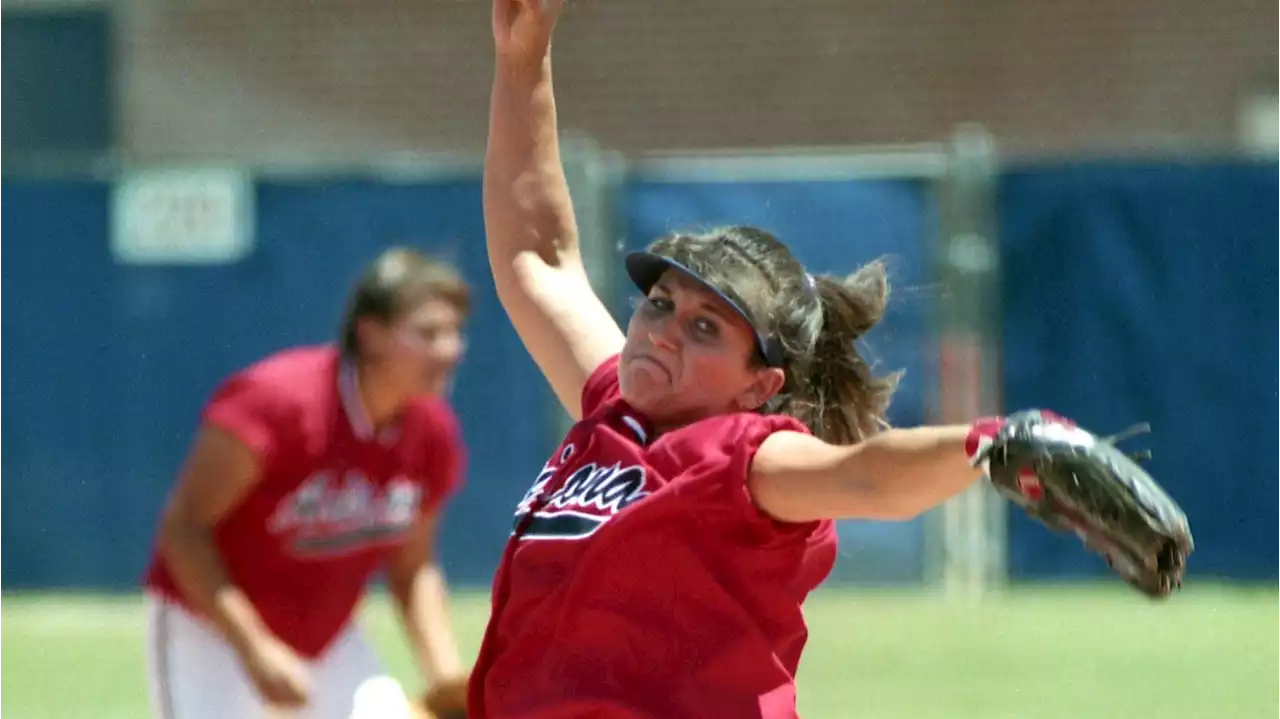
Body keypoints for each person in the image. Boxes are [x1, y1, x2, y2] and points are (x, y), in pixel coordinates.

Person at [470, 1, 1072, 717]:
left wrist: (992, 446)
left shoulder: (744, 458)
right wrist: (522, 58)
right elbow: (537, 255)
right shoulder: (614, 410)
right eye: (659, 303)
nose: (662, 330)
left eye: (705, 327)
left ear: (761, 384)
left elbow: (869, 478)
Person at [142, 247, 472, 719]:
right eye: (428, 333)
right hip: (210, 630)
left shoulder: (431, 430)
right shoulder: (276, 403)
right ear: (371, 335)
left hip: (328, 639)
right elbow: (184, 528)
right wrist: (254, 647)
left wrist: (444, 678)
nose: (451, 349)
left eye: (456, 332)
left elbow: (413, 566)